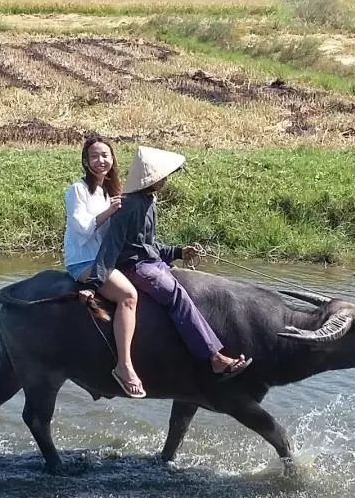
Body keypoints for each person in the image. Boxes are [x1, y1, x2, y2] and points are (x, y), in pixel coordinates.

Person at [82, 145, 253, 382]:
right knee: (177, 296)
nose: (165, 180)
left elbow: (150, 244)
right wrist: (94, 283)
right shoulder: (127, 205)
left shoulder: (148, 201)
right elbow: (111, 247)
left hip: (151, 262)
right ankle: (214, 357)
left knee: (189, 286)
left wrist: (179, 252)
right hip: (136, 268)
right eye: (162, 176)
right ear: (150, 179)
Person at [63, 136, 146, 399]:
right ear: (86, 162)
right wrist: (109, 212)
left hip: (106, 260)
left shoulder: (109, 192)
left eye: (105, 155)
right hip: (84, 261)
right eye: (95, 156)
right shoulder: (77, 190)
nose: (101, 161)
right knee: (128, 295)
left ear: (113, 159)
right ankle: (124, 365)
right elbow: (82, 230)